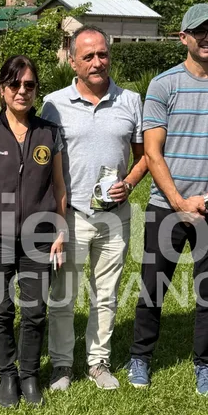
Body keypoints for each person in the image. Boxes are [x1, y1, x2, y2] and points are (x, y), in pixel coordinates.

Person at [128, 3, 208, 394]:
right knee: (153, 286)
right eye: (201, 31)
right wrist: (180, 202)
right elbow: (152, 152)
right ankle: (140, 356)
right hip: (166, 206)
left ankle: (205, 364)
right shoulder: (163, 85)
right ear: (184, 37)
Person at [40, 26, 149, 392]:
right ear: (73, 61)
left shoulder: (130, 100)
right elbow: (44, 161)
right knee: (63, 295)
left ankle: (98, 362)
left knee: (106, 293)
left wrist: (129, 184)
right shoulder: (54, 104)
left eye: (102, 54)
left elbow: (144, 156)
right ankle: (61, 364)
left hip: (114, 215)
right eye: (88, 56)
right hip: (70, 214)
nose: (97, 62)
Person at [0, 56, 66, 407]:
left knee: (35, 312)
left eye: (29, 85)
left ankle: (29, 375)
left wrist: (60, 231)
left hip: (39, 238)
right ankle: (7, 375)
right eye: (15, 84)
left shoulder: (49, 133)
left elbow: (59, 186)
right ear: (2, 89)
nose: (22, 91)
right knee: (0, 311)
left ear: (37, 90)